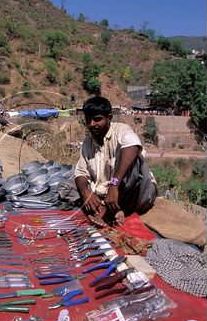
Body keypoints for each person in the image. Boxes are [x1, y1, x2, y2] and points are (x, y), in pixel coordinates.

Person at [59, 96, 157, 227]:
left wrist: (114, 185)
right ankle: (109, 208)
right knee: (65, 186)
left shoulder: (122, 130)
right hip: (105, 194)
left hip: (133, 193)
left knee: (134, 164)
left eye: (97, 119)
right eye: (88, 119)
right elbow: (80, 172)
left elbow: (133, 147)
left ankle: (112, 210)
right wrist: (85, 193)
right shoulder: (88, 141)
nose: (92, 124)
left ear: (109, 118)